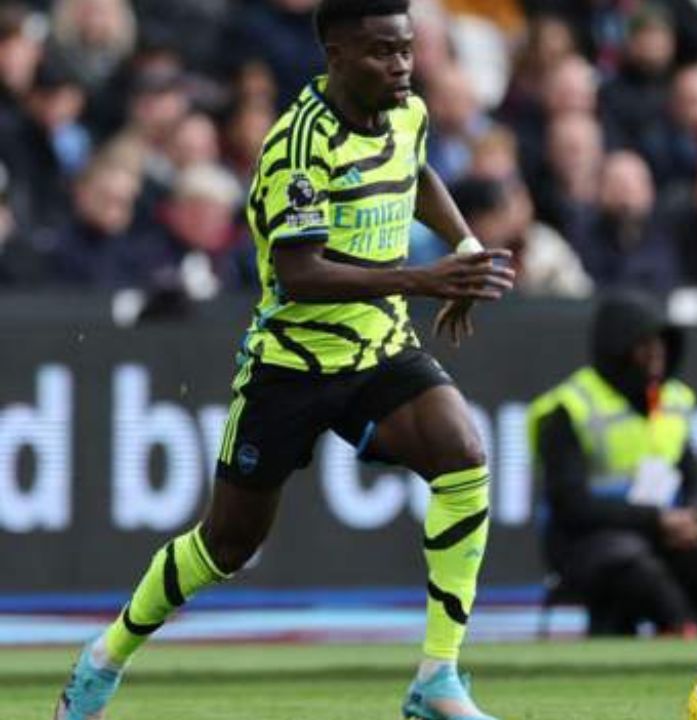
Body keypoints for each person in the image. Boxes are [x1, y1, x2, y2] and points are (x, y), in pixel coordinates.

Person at [54, 2, 516, 720]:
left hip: (379, 347)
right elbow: (300, 273)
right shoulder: (297, 148)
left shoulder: (408, 113)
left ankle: (438, 679)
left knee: (464, 457)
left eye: (406, 50)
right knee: (226, 545)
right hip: (291, 365)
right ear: (335, 54)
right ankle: (105, 657)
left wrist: (461, 248)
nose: (399, 66)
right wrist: (422, 281)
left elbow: (416, 173)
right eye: (380, 53)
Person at [527, 293, 697, 637]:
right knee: (635, 567)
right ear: (616, 347)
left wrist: (694, 517)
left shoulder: (674, 401)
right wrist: (655, 520)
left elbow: (694, 479)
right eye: (644, 342)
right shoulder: (570, 408)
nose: (657, 351)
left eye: (661, 340)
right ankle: (680, 625)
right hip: (590, 545)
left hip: (665, 540)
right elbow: (571, 504)